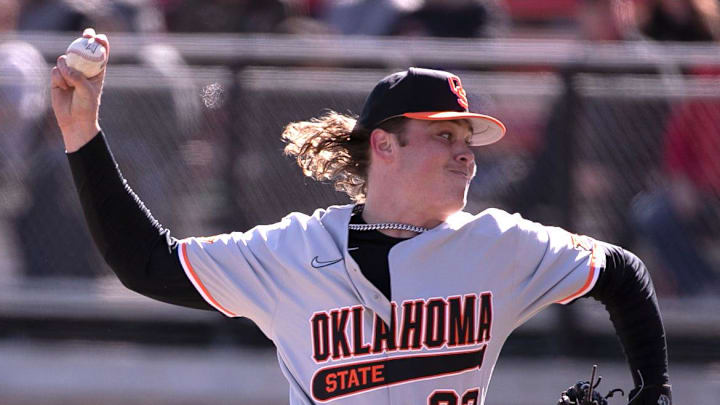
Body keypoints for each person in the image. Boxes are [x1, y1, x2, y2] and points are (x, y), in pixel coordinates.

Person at [51, 29, 672, 405]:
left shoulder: (500, 246)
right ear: (384, 145)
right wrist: (83, 135)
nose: (465, 152)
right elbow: (144, 263)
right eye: (443, 136)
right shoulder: (289, 252)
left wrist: (654, 389)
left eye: (468, 140)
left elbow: (623, 272)